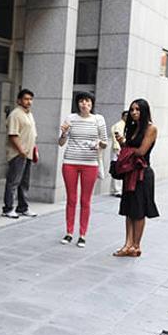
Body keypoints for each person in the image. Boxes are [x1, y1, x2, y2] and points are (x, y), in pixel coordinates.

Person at [57, 91, 108, 247]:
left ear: (91, 104)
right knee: (71, 199)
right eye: (81, 101)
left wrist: (98, 143)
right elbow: (61, 143)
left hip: (90, 164)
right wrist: (64, 132)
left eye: (87, 101)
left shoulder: (98, 120)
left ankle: (83, 235)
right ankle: (69, 232)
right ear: (77, 103)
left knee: (85, 200)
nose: (84, 104)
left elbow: (105, 143)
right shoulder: (70, 119)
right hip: (70, 162)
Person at [113, 99, 158, 257]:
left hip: (142, 174)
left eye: (138, 109)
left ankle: (136, 246)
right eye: (132, 110)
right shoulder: (132, 127)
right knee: (128, 209)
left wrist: (127, 148)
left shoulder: (151, 128)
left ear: (144, 111)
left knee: (139, 211)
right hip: (130, 172)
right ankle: (127, 244)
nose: (134, 112)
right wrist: (123, 143)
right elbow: (132, 149)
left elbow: (141, 151)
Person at [2, 88, 38, 219]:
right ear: (19, 100)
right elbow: (12, 134)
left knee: (24, 182)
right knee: (13, 182)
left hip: (28, 154)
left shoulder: (29, 114)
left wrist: (34, 150)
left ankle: (23, 207)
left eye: (30, 99)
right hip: (17, 154)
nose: (29, 102)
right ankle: (8, 208)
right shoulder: (15, 114)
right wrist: (21, 151)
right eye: (26, 99)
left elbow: (32, 135)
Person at [110, 110, 128, 197]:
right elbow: (116, 137)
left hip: (122, 149)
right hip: (118, 149)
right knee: (117, 168)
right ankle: (117, 190)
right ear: (122, 116)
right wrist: (117, 148)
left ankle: (116, 189)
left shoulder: (126, 125)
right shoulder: (119, 125)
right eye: (126, 116)